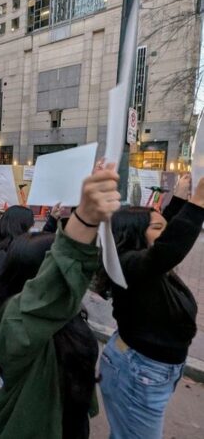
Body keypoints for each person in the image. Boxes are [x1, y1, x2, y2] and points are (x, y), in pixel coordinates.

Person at [0, 165, 121, 439]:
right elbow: (57, 275)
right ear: (38, 277)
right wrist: (85, 219)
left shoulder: (61, 311)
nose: (74, 278)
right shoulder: (14, 321)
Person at [99, 173, 204, 439]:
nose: (165, 231)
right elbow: (166, 249)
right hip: (140, 372)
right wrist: (198, 203)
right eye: (158, 229)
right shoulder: (127, 264)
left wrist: (180, 197)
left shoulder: (142, 261)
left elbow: (160, 229)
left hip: (151, 370)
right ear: (134, 236)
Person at [0, 205, 34, 295]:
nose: (31, 228)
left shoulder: (11, 246)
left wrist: (52, 220)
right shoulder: (2, 255)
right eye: (29, 226)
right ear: (20, 226)